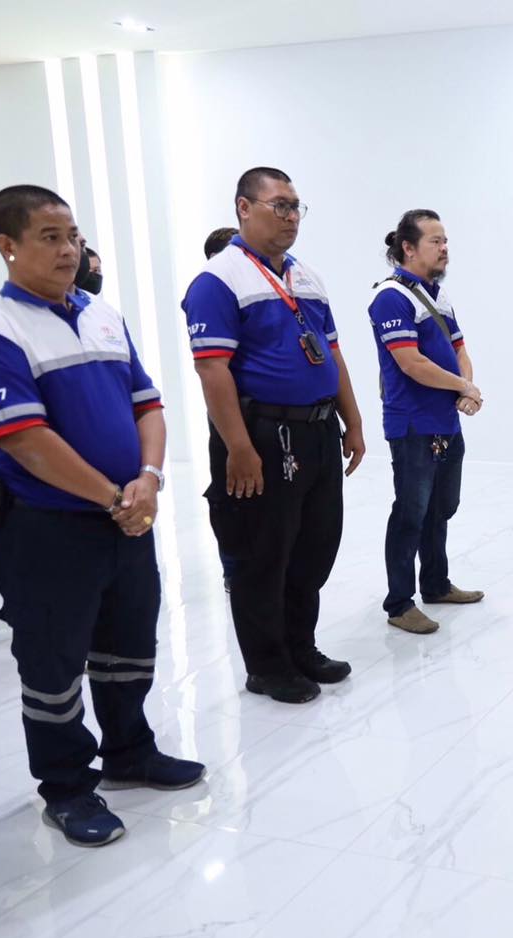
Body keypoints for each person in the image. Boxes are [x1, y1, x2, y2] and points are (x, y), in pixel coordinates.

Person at [0, 185, 204, 846]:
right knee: (53, 663)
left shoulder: (102, 314)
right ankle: (66, 787)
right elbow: (25, 440)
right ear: (7, 245)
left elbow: (148, 405)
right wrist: (115, 497)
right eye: (50, 237)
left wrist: (148, 480)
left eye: (73, 236)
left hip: (125, 519)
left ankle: (129, 752)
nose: (68, 250)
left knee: (129, 644)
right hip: (47, 529)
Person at [183, 167, 366, 704]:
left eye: (295, 207)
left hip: (318, 429)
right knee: (264, 553)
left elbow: (332, 354)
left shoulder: (306, 276)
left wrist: (353, 422)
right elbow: (212, 370)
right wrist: (238, 447)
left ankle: (300, 647)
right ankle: (266, 665)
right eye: (279, 205)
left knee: (314, 546)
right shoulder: (219, 280)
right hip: (264, 433)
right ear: (244, 208)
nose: (290, 217)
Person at [368, 210, 484, 635]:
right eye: (435, 241)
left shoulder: (437, 295)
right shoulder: (390, 297)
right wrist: (464, 387)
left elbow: (459, 349)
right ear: (408, 248)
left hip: (446, 421)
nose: (444, 248)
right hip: (413, 424)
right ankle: (400, 603)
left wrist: (465, 389)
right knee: (410, 512)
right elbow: (411, 363)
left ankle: (435, 583)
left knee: (441, 507)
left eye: (445, 240)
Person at [201, 226, 238, 592]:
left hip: (272, 418)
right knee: (227, 494)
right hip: (228, 417)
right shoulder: (209, 294)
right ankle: (233, 569)